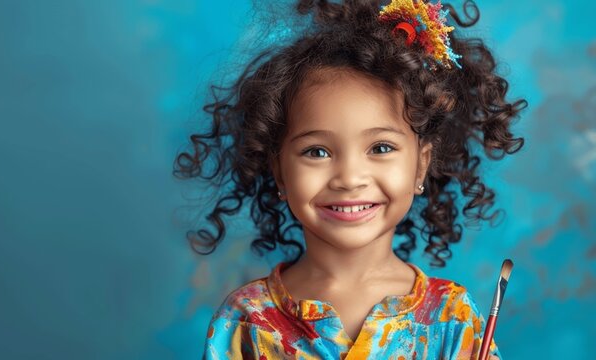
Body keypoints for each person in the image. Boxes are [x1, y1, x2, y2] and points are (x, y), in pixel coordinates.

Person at [173, 0, 527, 358]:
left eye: (381, 147)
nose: (349, 178)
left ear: (420, 166)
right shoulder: (245, 320)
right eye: (317, 152)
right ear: (279, 170)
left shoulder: (453, 318)